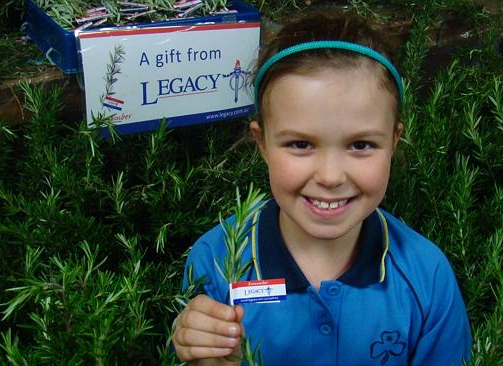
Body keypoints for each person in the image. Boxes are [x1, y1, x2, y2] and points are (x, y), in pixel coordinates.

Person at [172, 9, 472, 366]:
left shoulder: (427, 277)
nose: (330, 177)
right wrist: (196, 350)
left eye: (361, 144)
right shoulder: (216, 261)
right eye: (300, 144)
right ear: (262, 143)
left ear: (394, 141)